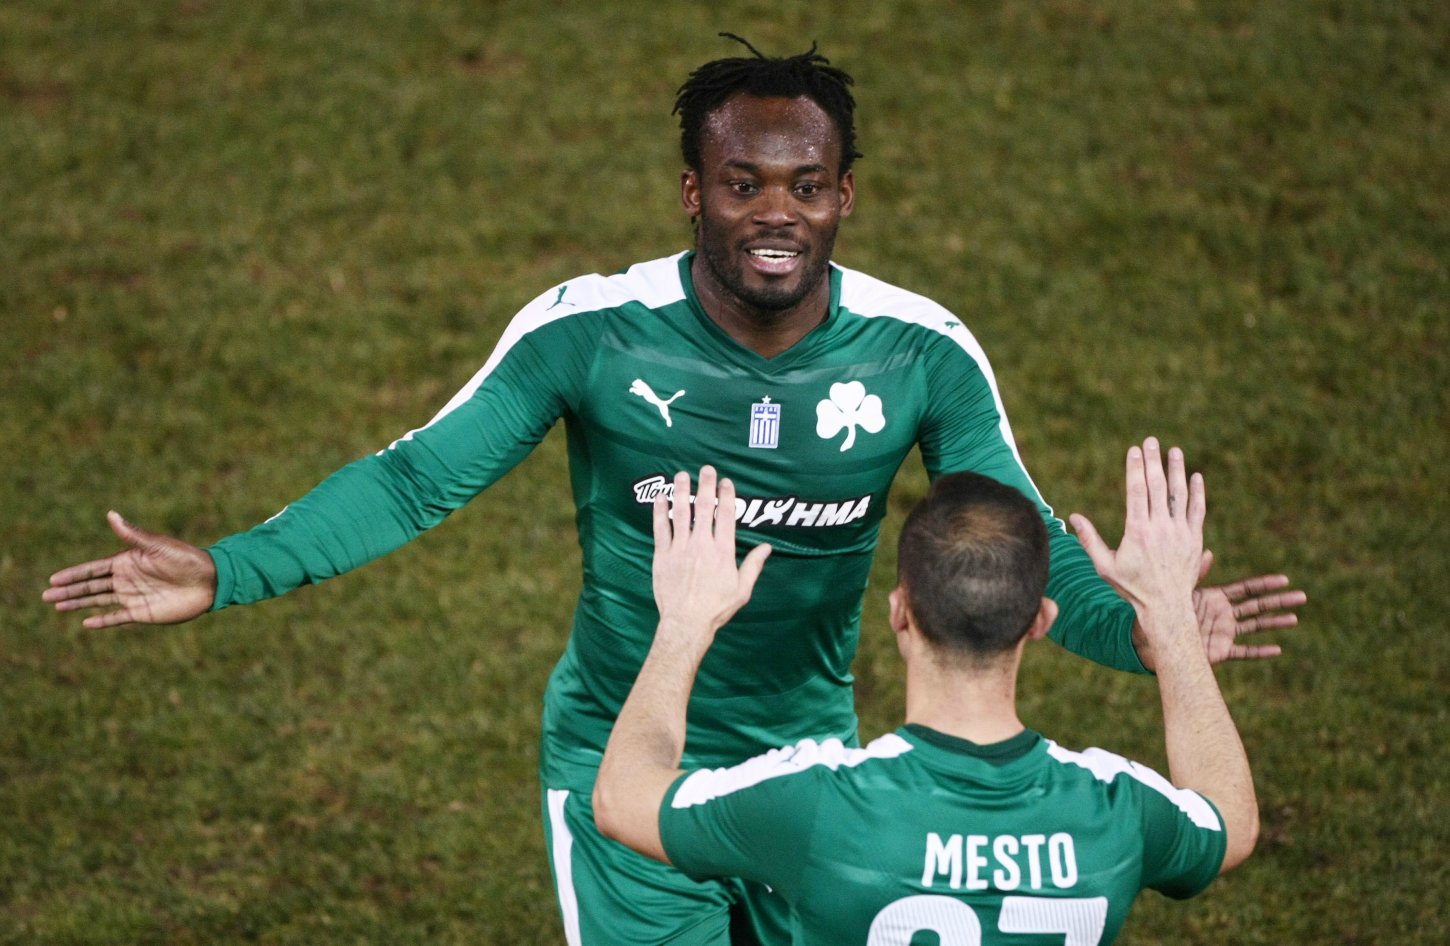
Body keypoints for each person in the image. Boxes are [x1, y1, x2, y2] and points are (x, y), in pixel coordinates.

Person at [44, 37, 1299, 945]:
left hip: (810, 762)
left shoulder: (921, 354)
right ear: (694, 190)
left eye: (806, 186)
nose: (776, 214)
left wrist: (1148, 633)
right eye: (744, 183)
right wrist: (231, 568)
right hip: (621, 749)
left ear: (845, 194)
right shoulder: (588, 334)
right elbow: (418, 478)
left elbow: (1005, 549)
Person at [596, 440, 1257, 944]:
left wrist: (683, 624)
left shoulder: (817, 802)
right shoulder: (1114, 809)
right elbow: (1230, 821)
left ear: (899, 614)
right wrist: (1170, 619)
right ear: (1040, 620)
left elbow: (621, 799)